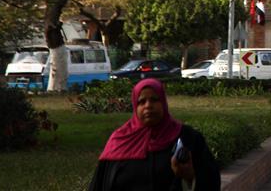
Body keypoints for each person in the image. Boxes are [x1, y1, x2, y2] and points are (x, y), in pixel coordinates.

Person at [88, 78, 219, 191]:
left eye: (154, 99)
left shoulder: (188, 138)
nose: (148, 106)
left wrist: (189, 177)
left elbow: (211, 182)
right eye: (141, 102)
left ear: (163, 102)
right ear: (135, 106)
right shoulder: (119, 140)